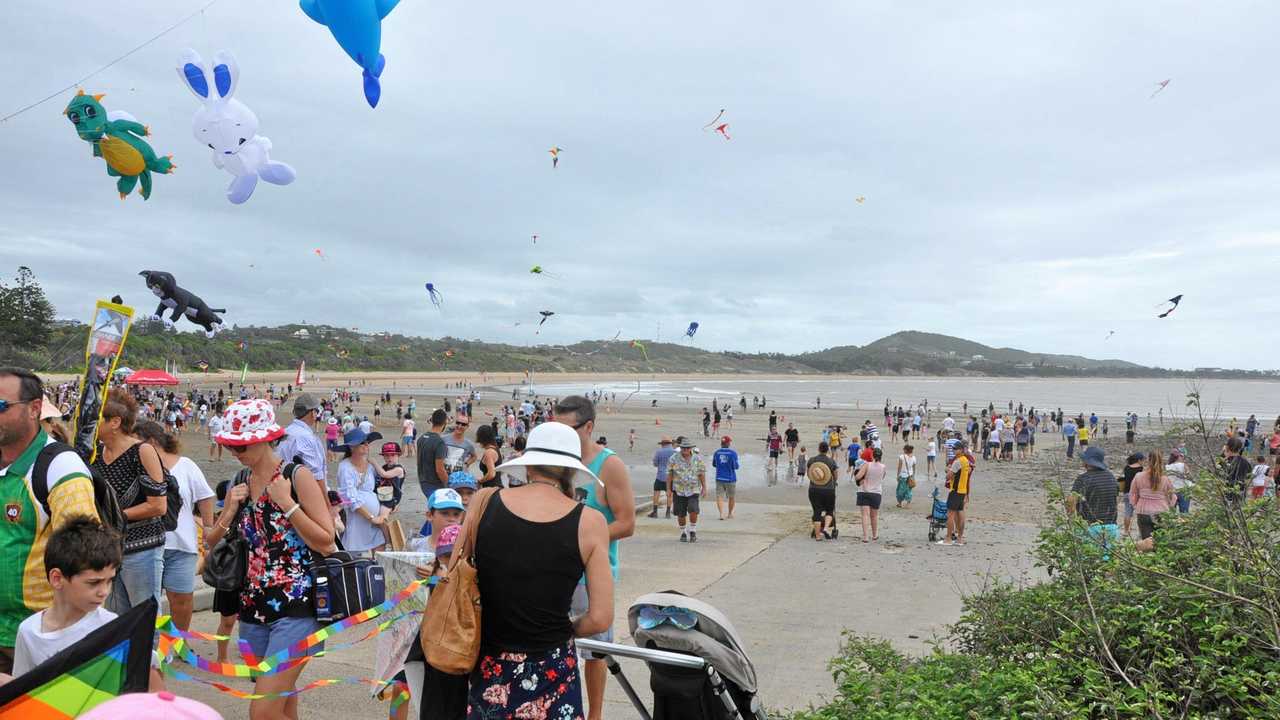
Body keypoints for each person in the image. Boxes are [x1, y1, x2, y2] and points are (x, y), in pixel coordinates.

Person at [463, 422, 613, 719]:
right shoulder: (590, 522)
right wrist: (562, 628)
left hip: (491, 660)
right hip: (553, 665)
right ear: (570, 471)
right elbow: (600, 618)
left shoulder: (484, 501)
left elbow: (457, 572)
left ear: (527, 466)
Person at [205, 399, 335, 720]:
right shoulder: (239, 481)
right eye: (231, 446)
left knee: (262, 711)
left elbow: (327, 540)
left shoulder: (296, 476)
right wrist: (231, 510)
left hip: (298, 604)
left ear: (266, 440)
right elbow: (210, 541)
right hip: (252, 607)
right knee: (282, 705)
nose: (237, 453)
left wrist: (287, 504)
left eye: (243, 446)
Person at [0, 368, 99, 675]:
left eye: (1, 406)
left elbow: (87, 554)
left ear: (34, 408)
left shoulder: (60, 467)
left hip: (36, 636)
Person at [554, 395, 634, 720]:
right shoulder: (555, 460)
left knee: (594, 650)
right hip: (555, 571)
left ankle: (595, 714)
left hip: (590, 575)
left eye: (567, 429)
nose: (559, 437)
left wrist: (584, 542)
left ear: (588, 427)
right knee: (556, 644)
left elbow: (626, 523)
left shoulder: (608, 466)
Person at [9, 517, 120, 678]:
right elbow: (24, 691)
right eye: (93, 582)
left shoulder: (112, 626)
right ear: (57, 578)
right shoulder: (28, 632)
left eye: (110, 581)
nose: (104, 592)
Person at [92, 389, 168, 614]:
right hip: (110, 550)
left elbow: (158, 505)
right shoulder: (95, 453)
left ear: (115, 422)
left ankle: (151, 652)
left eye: (96, 418)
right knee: (117, 621)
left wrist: (114, 517)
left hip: (142, 548)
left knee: (146, 618)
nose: (91, 423)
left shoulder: (142, 451)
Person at [135, 422, 214, 632]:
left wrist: (207, 526)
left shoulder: (185, 465)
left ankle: (178, 642)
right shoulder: (134, 466)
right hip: (145, 546)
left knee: (181, 599)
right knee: (145, 602)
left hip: (181, 546)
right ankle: (148, 645)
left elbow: (205, 496)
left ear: (151, 442)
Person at [337, 428, 387, 555]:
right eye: (362, 442)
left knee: (380, 555)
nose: (366, 445)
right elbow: (349, 498)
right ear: (352, 447)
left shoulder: (370, 466)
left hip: (375, 521)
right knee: (355, 558)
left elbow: (379, 487)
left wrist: (388, 505)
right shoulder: (345, 467)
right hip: (357, 520)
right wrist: (371, 517)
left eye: (367, 442)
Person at [1069, 446, 1120, 553]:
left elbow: (1071, 501)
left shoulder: (1083, 479)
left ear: (1087, 462)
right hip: (1112, 527)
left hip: (1091, 527)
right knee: (1109, 564)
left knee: (1089, 562)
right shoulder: (1111, 477)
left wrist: (1072, 520)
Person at [276, 393, 327, 488]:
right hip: (303, 492)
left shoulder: (286, 431)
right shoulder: (306, 437)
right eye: (317, 411)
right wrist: (326, 502)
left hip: (284, 488)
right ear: (312, 413)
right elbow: (316, 477)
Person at [668, 438, 707, 542]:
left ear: (691, 448)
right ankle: (683, 532)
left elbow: (701, 473)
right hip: (679, 490)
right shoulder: (673, 458)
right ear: (680, 448)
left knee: (693, 509)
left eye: (687, 448)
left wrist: (704, 488)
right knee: (680, 513)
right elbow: (670, 474)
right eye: (683, 447)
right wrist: (668, 489)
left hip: (693, 489)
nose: (685, 449)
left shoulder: (697, 459)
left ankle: (693, 530)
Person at [1130, 451, 1174, 540]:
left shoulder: (1139, 476)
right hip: (1162, 511)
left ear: (1148, 460)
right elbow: (1172, 497)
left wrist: (1135, 505)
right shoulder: (1165, 479)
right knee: (1162, 542)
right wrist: (1169, 506)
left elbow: (1132, 494)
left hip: (1143, 511)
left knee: (1147, 543)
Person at [940, 440, 972, 546]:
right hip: (962, 490)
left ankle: (949, 538)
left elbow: (948, 476)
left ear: (961, 450)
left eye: (955, 449)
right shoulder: (966, 461)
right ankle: (959, 538)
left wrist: (948, 470)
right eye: (953, 449)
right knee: (961, 513)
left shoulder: (958, 461)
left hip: (955, 491)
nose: (953, 450)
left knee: (950, 515)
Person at [806, 441, 839, 540]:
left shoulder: (812, 460)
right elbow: (836, 474)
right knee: (829, 510)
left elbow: (809, 474)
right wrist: (834, 481)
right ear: (827, 449)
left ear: (819, 449)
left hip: (814, 489)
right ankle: (825, 528)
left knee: (817, 511)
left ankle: (817, 536)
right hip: (828, 490)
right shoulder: (831, 461)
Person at [414, 409, 450, 499]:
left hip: (423, 481)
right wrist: (450, 485)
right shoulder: (439, 442)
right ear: (445, 422)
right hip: (435, 484)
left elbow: (418, 462)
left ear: (432, 420)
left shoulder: (421, 438)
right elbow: (440, 470)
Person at [854, 448, 886, 542]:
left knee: (865, 515)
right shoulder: (883, 467)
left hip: (864, 491)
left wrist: (860, 477)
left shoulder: (867, 464)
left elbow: (857, 476)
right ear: (880, 457)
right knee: (874, 515)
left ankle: (865, 536)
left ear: (872, 456)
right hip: (876, 492)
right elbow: (882, 477)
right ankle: (875, 535)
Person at [712, 436, 740, 520]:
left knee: (719, 496)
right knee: (731, 497)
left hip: (719, 477)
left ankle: (721, 514)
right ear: (728, 443)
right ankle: (730, 513)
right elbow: (735, 466)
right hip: (730, 478)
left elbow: (714, 464)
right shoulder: (733, 453)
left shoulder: (716, 452)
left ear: (721, 443)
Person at [1119, 452, 1144, 538]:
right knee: (1140, 513)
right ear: (1139, 460)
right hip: (1137, 493)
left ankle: (1126, 531)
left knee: (1127, 512)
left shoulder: (1126, 468)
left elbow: (1123, 478)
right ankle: (1141, 532)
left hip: (1127, 492)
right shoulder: (1141, 469)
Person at [474, 424, 503, 489]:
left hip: (491, 488)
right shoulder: (496, 448)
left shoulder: (489, 452)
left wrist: (480, 481)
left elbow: (491, 474)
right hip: (497, 486)